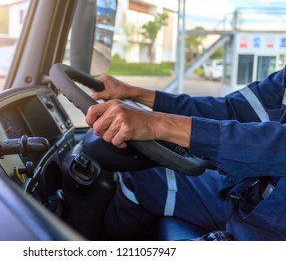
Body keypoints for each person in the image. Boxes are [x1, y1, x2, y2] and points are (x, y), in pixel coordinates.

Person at [85, 66, 286, 241]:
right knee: (139, 177)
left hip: (271, 230)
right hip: (248, 191)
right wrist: (132, 93)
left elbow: (277, 144)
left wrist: (157, 124)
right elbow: (231, 109)